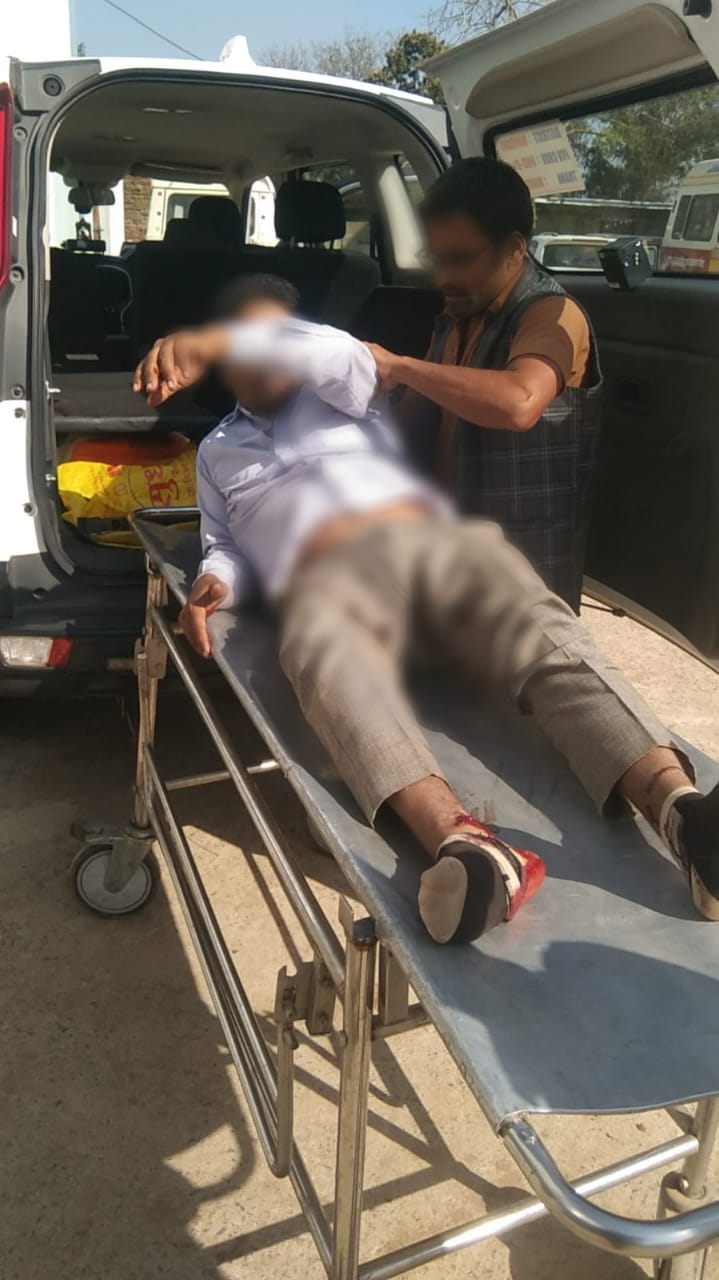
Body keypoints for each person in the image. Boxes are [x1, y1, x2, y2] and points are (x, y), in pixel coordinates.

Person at [134, 274, 718, 947]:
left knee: (533, 620)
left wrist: (219, 336)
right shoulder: (216, 451)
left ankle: (682, 813)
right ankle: (468, 848)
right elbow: (224, 544)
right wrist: (215, 583)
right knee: (321, 653)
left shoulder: (345, 390)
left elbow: (336, 353)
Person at [367, 157, 602, 613]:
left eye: (459, 260)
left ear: (514, 248)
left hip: (521, 579)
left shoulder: (551, 315)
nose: (442, 277)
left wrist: (402, 367)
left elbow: (519, 402)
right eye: (435, 259)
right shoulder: (457, 319)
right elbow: (410, 419)